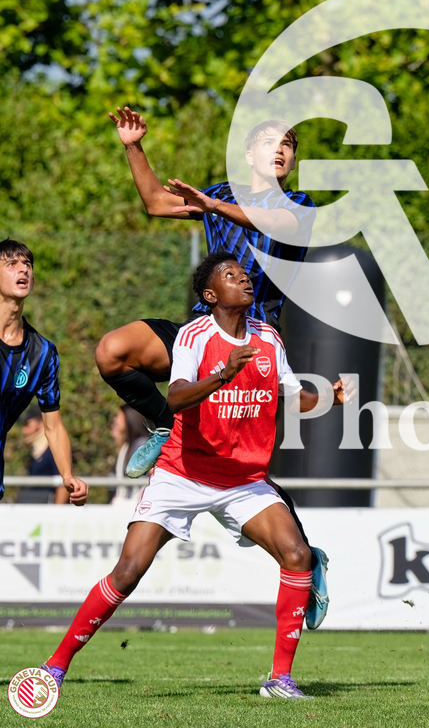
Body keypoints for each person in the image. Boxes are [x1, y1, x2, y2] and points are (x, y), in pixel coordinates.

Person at [41, 252, 351, 700]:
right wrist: (225, 373)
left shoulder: (269, 338)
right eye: (231, 275)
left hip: (242, 480)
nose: (243, 279)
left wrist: (331, 398)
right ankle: (56, 667)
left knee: (297, 554)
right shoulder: (194, 335)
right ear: (211, 295)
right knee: (128, 571)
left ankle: (280, 680)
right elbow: (178, 397)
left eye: (244, 274)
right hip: (182, 474)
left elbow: (292, 397)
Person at [96, 108, 329, 629]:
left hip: (253, 347)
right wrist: (133, 146)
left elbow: (275, 222)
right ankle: (163, 422)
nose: (283, 149)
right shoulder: (219, 193)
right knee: (113, 351)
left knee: (242, 467)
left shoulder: (299, 205)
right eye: (273, 140)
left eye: (290, 144)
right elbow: (157, 203)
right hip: (200, 335)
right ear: (249, 155)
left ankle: (306, 559)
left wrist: (211, 205)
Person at [0, 238, 88, 507]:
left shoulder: (42, 354)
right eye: (11, 264)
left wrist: (68, 475)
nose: (23, 269)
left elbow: (53, 424)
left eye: (27, 264)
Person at [16, 407, 69, 504]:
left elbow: (64, 484)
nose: (24, 431)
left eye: (27, 424)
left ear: (41, 423)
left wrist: (56, 513)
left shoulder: (53, 452)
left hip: (48, 513)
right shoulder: (36, 454)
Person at [109, 405, 149, 506]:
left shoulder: (140, 444)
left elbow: (156, 471)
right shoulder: (127, 446)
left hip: (137, 503)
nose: (115, 420)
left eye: (118, 416)